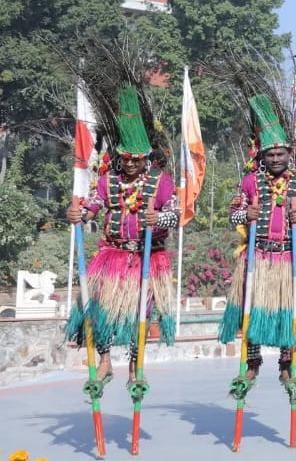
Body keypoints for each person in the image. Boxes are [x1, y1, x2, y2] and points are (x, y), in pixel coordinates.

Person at [65, 83, 179, 384]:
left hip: (147, 258)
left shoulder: (161, 182)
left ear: (146, 158)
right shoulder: (107, 180)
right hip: (112, 255)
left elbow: (177, 214)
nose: (130, 163)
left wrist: (160, 217)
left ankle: (134, 367)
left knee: (140, 314)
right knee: (99, 308)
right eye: (125, 158)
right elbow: (94, 205)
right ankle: (104, 361)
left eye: (136, 159)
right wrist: (79, 213)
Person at [218, 94, 296, 385]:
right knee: (252, 307)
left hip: (290, 254)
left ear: (290, 153)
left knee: (288, 309)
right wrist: (245, 214)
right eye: (270, 154)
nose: (275, 159)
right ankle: (252, 361)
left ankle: (286, 363)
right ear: (261, 155)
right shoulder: (250, 181)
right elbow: (233, 214)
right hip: (258, 254)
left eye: (280, 154)